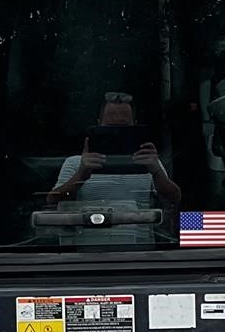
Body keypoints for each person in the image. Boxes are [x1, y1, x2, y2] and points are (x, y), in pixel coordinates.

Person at [47, 93, 180, 244]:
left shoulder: (148, 163)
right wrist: (81, 174)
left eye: (123, 128)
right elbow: (52, 201)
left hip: (140, 251)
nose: (117, 134)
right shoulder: (75, 163)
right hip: (86, 250)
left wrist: (156, 171)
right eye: (110, 128)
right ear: (98, 126)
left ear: (135, 127)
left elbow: (173, 200)